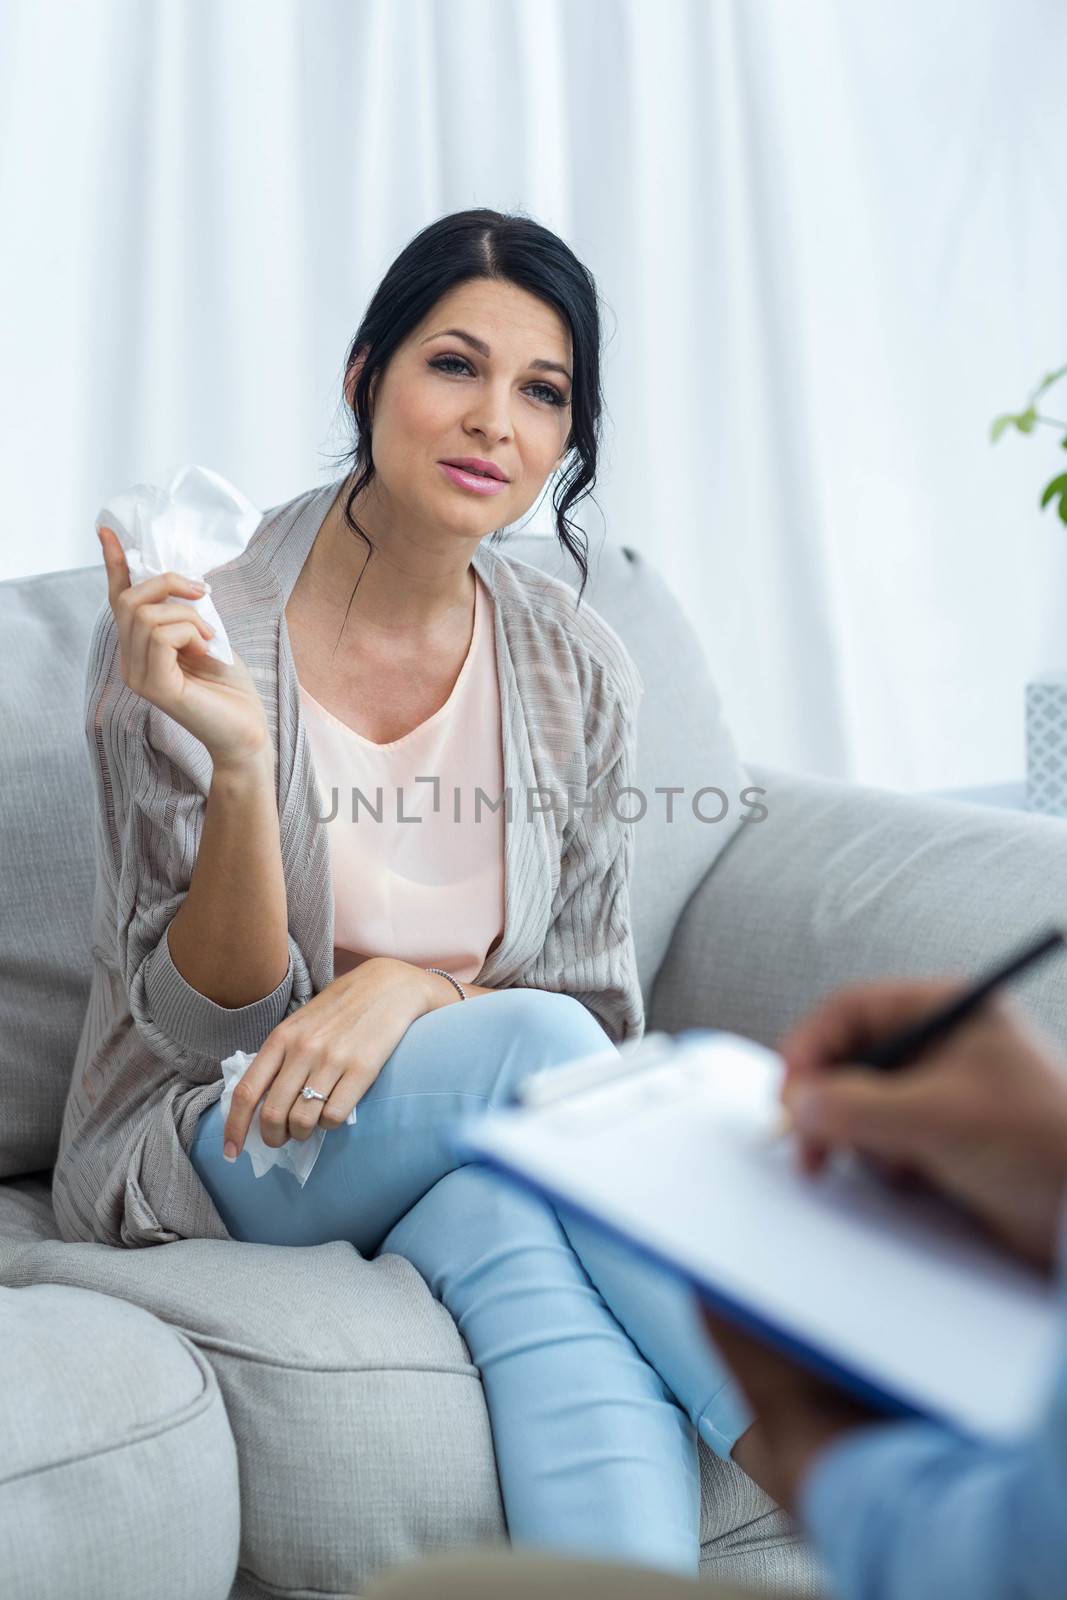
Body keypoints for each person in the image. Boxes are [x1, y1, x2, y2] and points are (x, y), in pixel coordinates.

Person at [59, 208, 799, 1583]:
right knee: (533, 1059)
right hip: (217, 1137)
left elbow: (585, 998)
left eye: (543, 393)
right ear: (364, 377)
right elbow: (191, 1026)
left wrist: (413, 989)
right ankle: (836, 1445)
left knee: (529, 1252)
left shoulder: (574, 665)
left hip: (457, 1141)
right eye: (453, 365)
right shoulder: (200, 622)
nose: (493, 422)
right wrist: (235, 760)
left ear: (566, 443)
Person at [360, 974, 1067, 1600]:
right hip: (307, 1115)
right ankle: (774, 1434)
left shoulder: (566, 818)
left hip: (482, 1157)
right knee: (547, 1037)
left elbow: (606, 1008)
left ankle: (780, 1436)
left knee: (500, 1220)